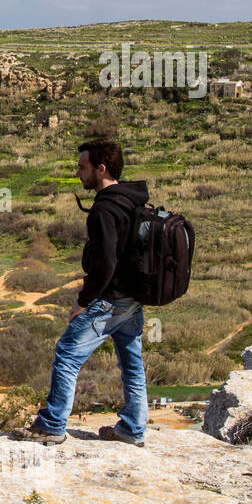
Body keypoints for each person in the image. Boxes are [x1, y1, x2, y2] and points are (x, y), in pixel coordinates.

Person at [12, 139, 149, 447]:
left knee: (67, 355)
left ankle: (52, 424)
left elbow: (105, 263)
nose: (77, 173)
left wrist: (83, 302)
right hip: (132, 299)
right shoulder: (132, 199)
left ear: (101, 169)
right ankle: (133, 429)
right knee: (131, 362)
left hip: (109, 300)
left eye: (82, 167)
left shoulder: (104, 209)